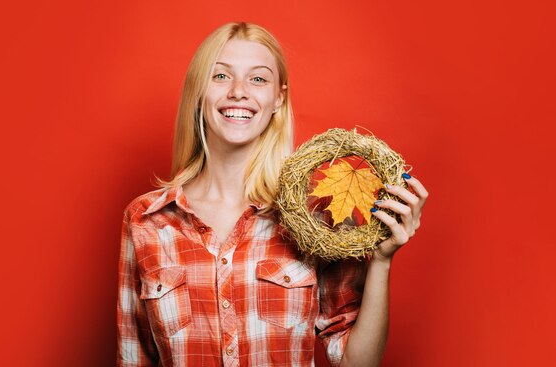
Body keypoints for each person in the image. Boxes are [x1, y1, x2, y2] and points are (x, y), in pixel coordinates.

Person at [117, 22, 428, 367]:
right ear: (197, 91)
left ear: (278, 98)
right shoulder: (147, 219)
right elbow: (134, 357)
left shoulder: (317, 217)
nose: (238, 91)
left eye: (258, 79)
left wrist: (382, 260)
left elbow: (356, 363)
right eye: (220, 76)